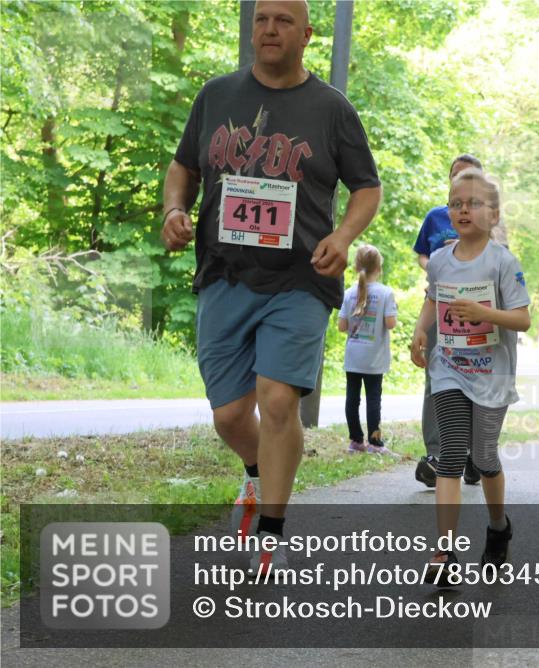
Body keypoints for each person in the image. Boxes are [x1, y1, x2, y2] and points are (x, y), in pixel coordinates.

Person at [160, 0, 381, 573]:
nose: (269, 28)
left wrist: (343, 236)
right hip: (223, 272)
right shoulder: (216, 95)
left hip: (301, 277)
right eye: (261, 19)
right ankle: (259, 474)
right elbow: (183, 167)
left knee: (279, 401)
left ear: (306, 34)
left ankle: (273, 530)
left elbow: (367, 187)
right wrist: (174, 209)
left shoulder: (331, 108)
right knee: (230, 416)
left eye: (283, 20)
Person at [410, 168, 530, 577]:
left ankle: (498, 526)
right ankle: (444, 553)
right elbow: (433, 299)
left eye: (474, 203)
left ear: (493, 215)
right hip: (449, 368)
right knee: (450, 454)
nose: (463, 210)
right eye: (456, 204)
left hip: (492, 374)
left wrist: (483, 313)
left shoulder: (503, 262)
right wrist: (419, 331)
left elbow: (522, 319)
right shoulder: (440, 260)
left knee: (483, 456)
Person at [412, 154, 485, 488]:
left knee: (472, 378)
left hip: (476, 311)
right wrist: (436, 267)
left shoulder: (488, 219)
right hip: (439, 305)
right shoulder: (436, 217)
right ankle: (436, 454)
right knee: (436, 378)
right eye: (457, 174)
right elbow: (422, 254)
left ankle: (471, 452)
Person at [339, 244, 398, 455]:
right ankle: (375, 443)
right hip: (374, 358)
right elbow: (390, 323)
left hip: (353, 356)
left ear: (356, 267)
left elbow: (342, 326)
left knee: (352, 398)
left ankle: (356, 441)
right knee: (373, 399)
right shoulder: (385, 293)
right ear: (379, 268)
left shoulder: (348, 293)